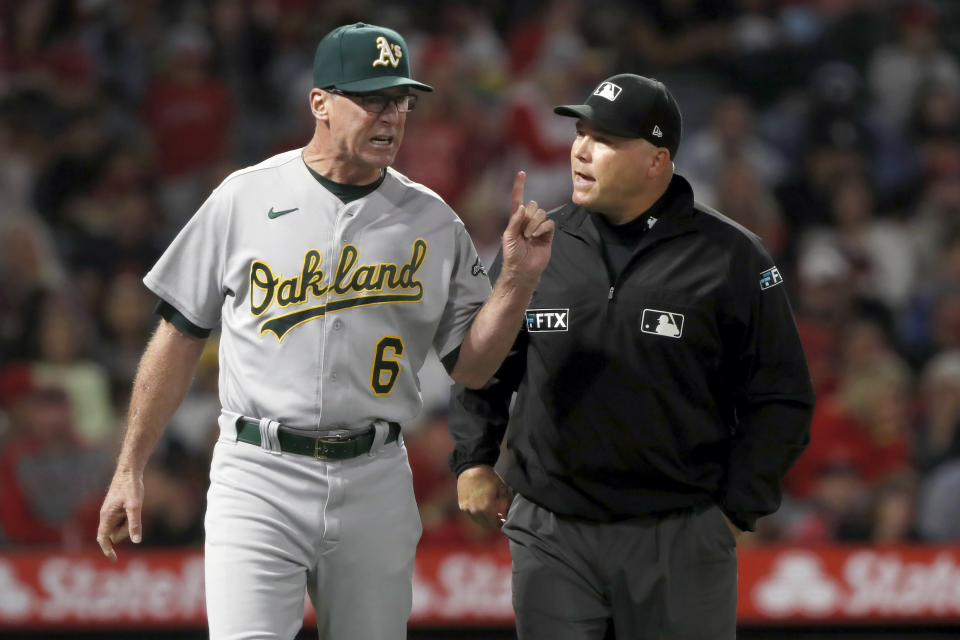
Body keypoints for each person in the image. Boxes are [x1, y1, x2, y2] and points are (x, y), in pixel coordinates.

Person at [96, 22, 553, 640]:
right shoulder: (244, 197)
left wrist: (516, 283)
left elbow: (472, 367)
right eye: (371, 99)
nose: (390, 115)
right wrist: (131, 465)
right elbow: (178, 336)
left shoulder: (433, 219)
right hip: (259, 470)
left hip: (375, 475)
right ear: (319, 102)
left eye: (401, 101)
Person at [450, 73, 815, 639]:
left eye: (607, 139)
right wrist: (473, 458)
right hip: (553, 531)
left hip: (679, 534)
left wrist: (732, 511)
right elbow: (484, 363)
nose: (581, 150)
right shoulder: (538, 244)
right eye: (580, 133)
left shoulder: (731, 257)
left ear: (657, 160)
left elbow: (782, 398)